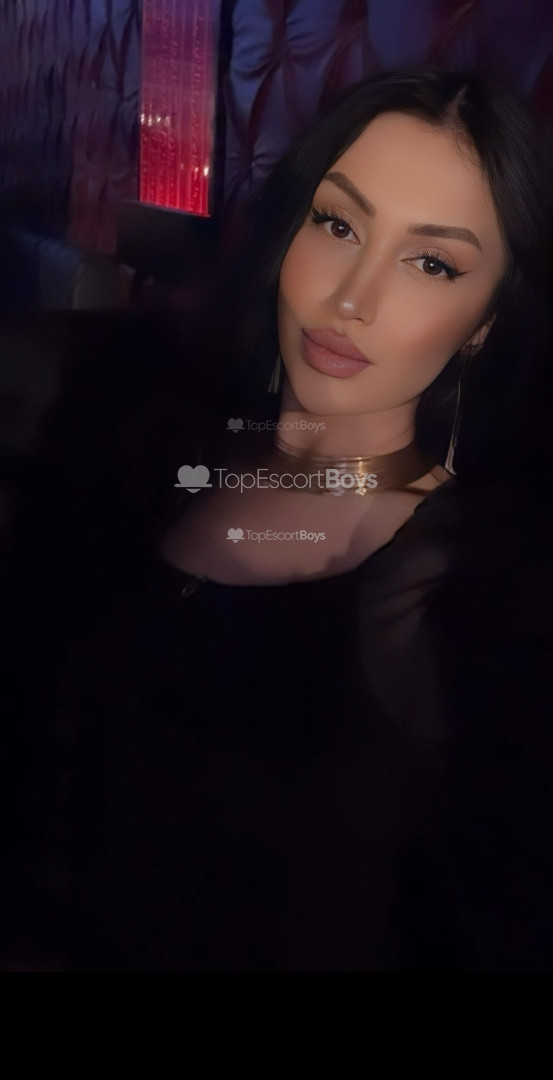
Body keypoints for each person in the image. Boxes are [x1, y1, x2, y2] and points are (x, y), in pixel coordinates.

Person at [62, 67, 553, 971]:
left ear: (484, 320)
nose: (351, 297)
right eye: (337, 224)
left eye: (431, 263)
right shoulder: (158, 451)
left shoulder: (452, 584)